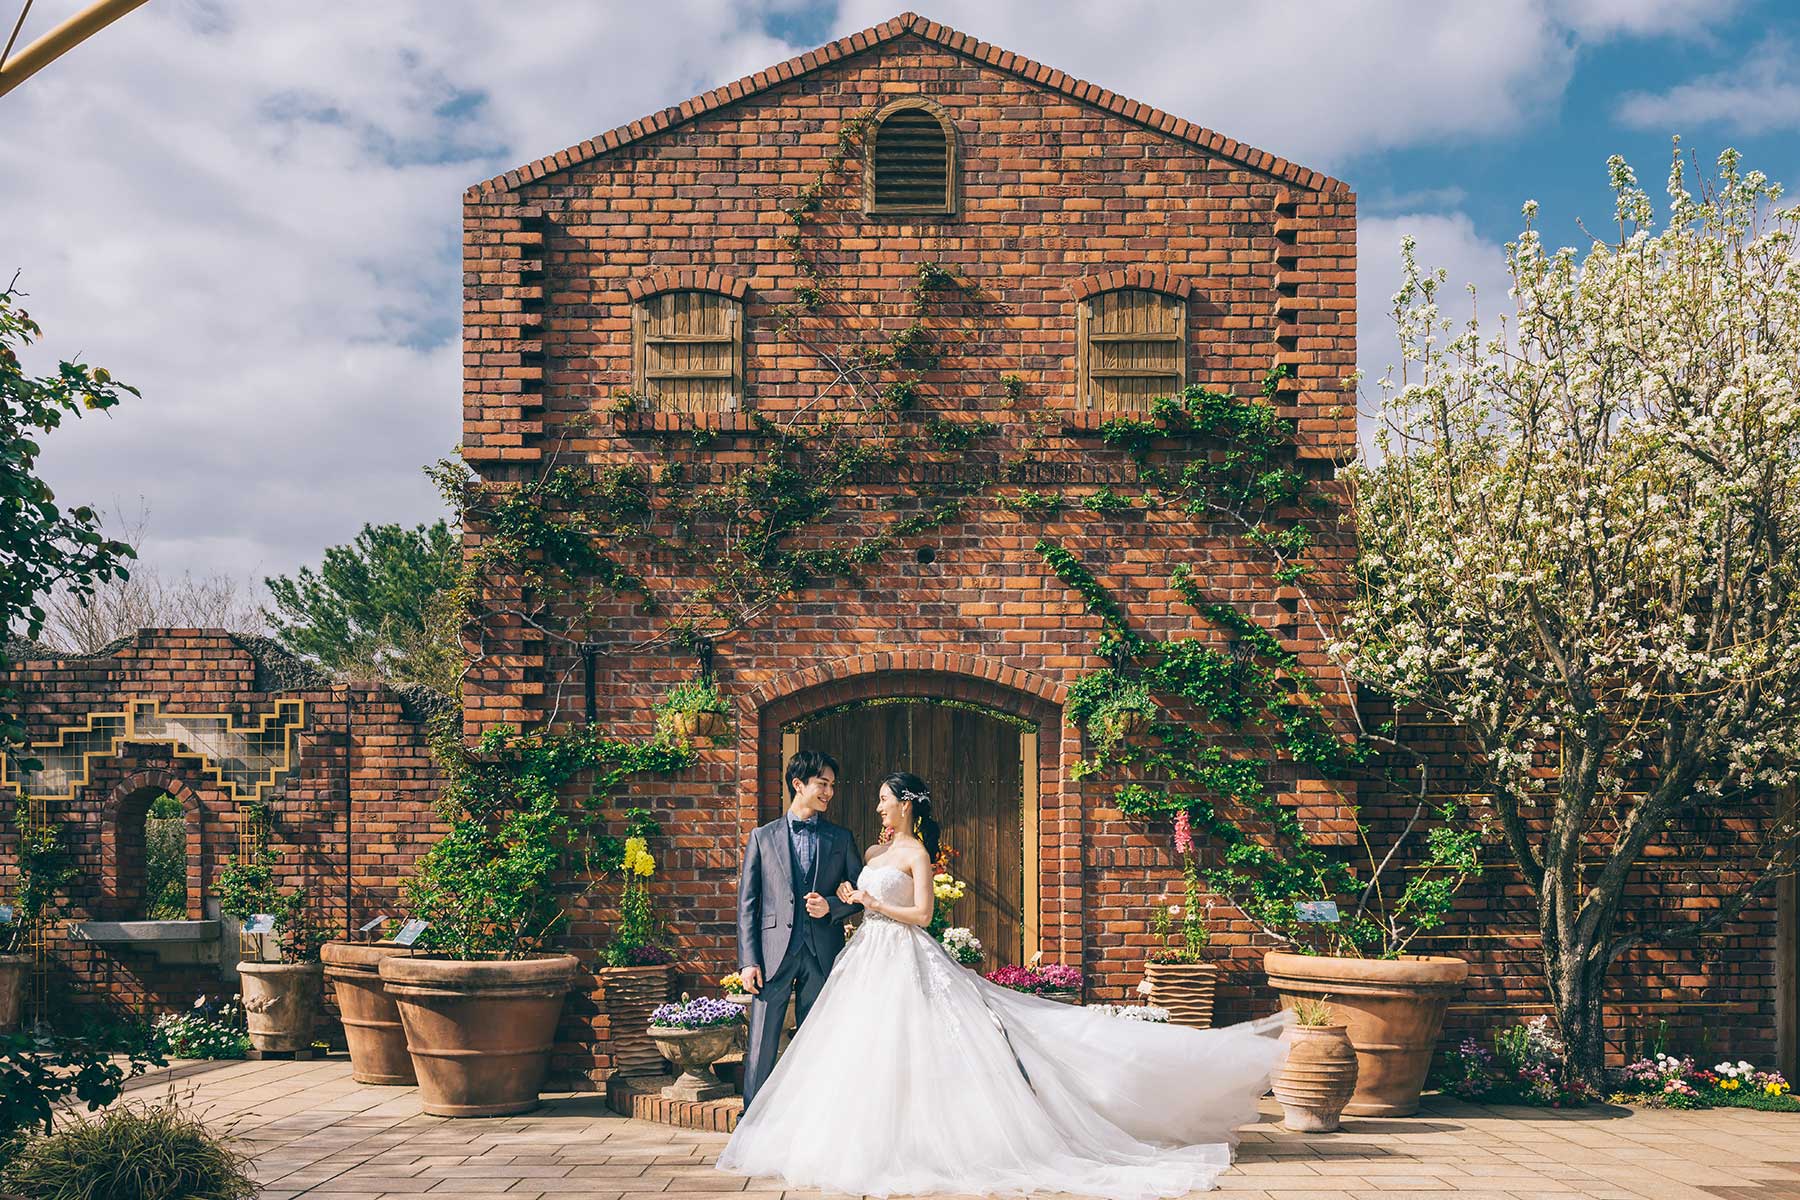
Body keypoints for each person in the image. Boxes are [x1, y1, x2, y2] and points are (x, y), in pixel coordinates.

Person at [718, 770, 1292, 1200]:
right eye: (878, 802)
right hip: (864, 956)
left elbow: (921, 915)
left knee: (917, 1043)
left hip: (903, 954)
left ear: (907, 807)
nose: (878, 808)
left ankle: (929, 1141)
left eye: (885, 801)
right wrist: (846, 901)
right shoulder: (870, 851)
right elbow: (853, 899)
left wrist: (868, 901)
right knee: (859, 1049)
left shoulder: (917, 851)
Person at [733, 748, 867, 1110]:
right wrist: (748, 961)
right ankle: (751, 1121)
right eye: (823, 784)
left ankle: (811, 1120)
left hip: (822, 951)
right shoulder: (762, 837)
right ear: (798, 784)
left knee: (817, 1039)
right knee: (761, 1040)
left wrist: (832, 906)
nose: (829, 792)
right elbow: (748, 903)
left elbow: (861, 894)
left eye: (832, 785)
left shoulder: (840, 839)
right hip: (774, 953)